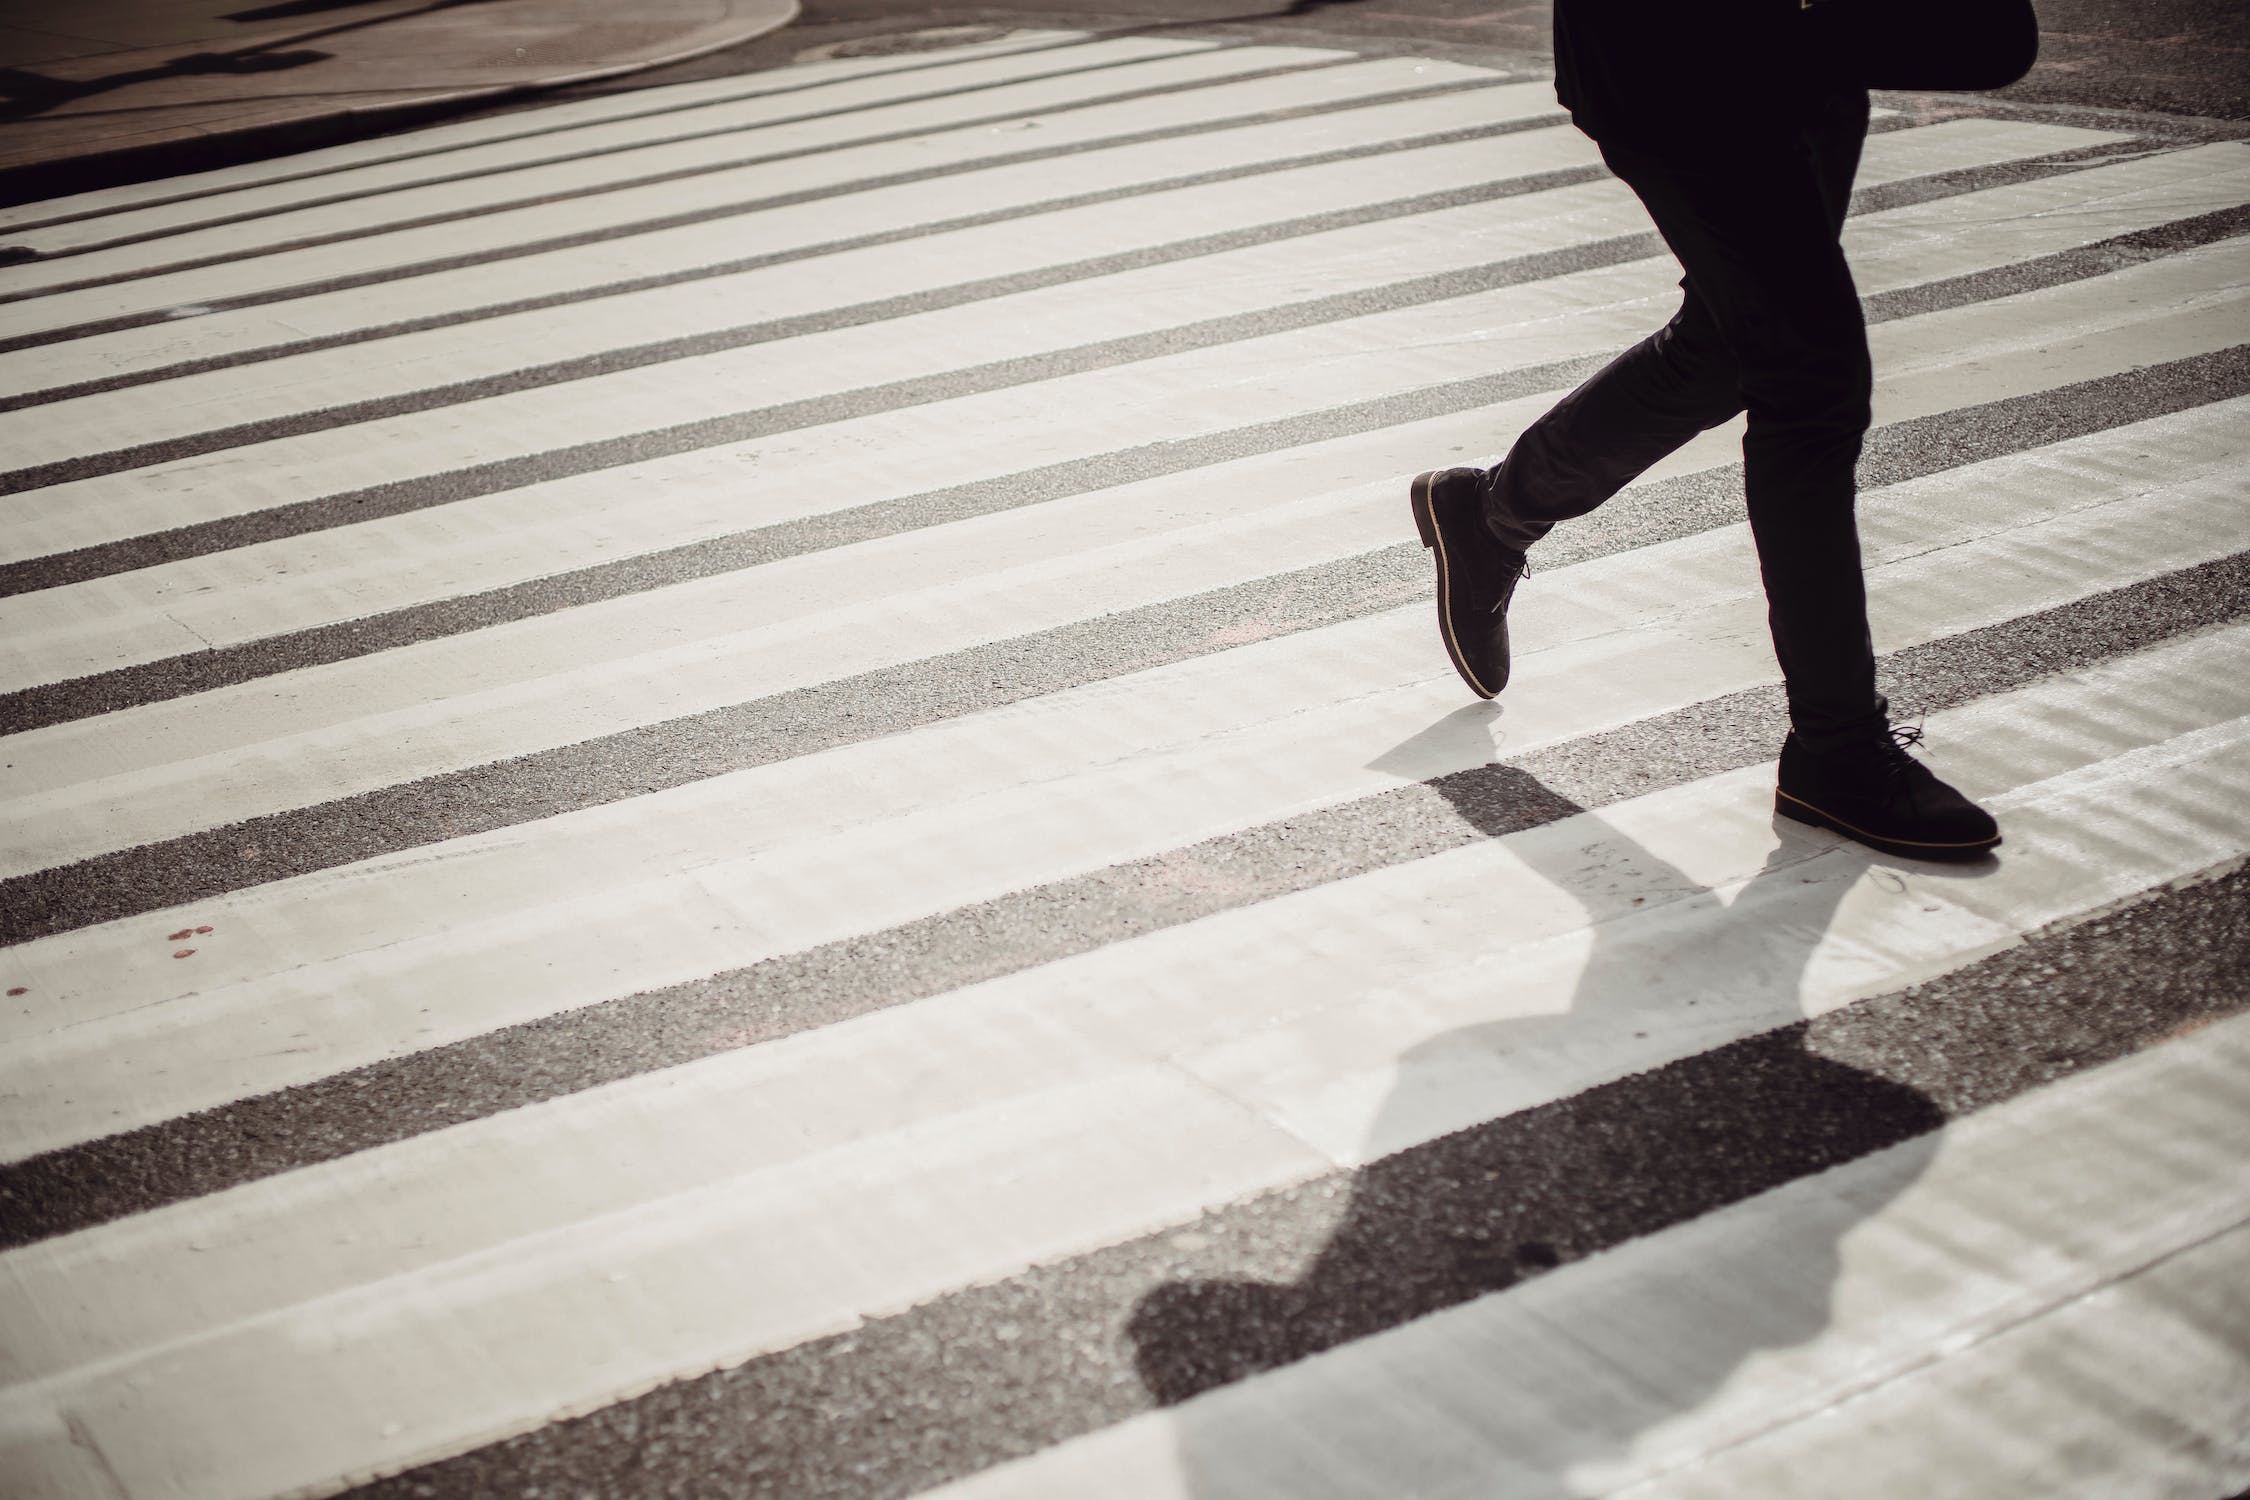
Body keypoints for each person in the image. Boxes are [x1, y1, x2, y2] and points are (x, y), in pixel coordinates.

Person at [1409, 0, 2001, 862]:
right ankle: (1834, 748)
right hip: (1675, 53)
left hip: (1805, 59)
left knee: (1730, 345)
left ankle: (1493, 510)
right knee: (1811, 376)